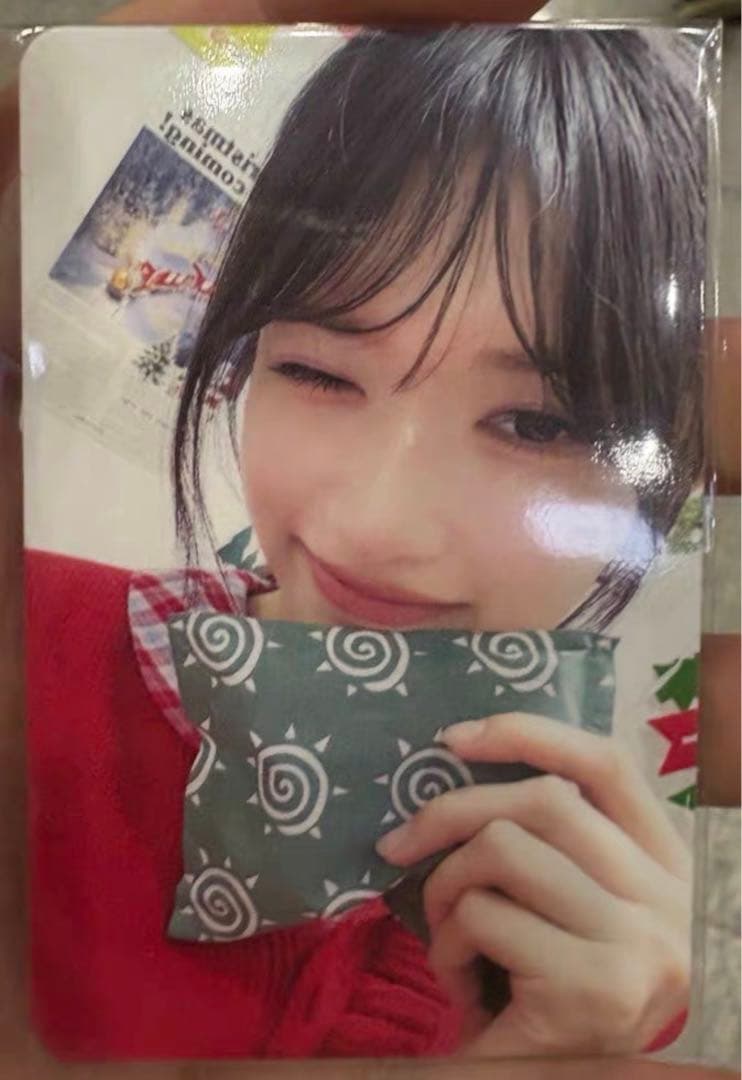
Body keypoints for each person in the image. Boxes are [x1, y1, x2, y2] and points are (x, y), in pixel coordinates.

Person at [19, 14, 707, 1067]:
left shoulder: (597, 965)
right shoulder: (31, 644)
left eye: (537, 425)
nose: (376, 528)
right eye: (318, 372)